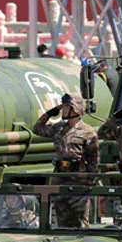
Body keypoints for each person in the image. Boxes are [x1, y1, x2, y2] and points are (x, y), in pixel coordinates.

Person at [32, 93, 99, 227]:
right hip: (60, 178)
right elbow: (36, 129)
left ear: (76, 109)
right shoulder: (58, 128)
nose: (63, 109)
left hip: (79, 181)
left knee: (81, 223)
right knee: (62, 222)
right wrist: (51, 113)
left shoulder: (88, 131)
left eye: (67, 106)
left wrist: (90, 183)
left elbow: (93, 160)